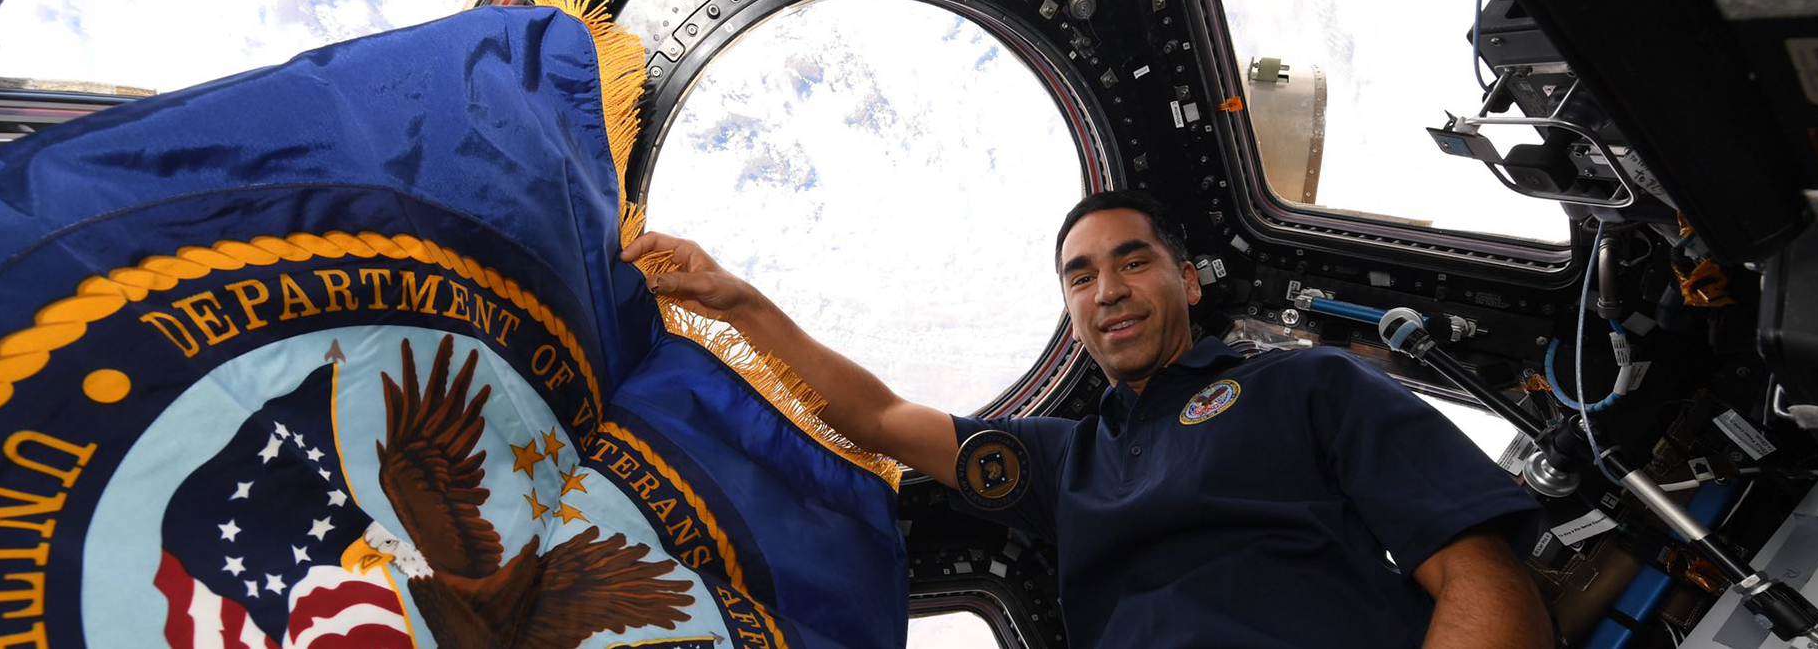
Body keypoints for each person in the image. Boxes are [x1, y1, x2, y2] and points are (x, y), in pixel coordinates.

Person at [621, 190, 1552, 649]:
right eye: (1080, 274)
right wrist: (735, 299)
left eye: (1134, 261)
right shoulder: (1060, 460)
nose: (1108, 289)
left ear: (1186, 281)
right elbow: (877, 416)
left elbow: (1485, 583)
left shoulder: (1307, 386)